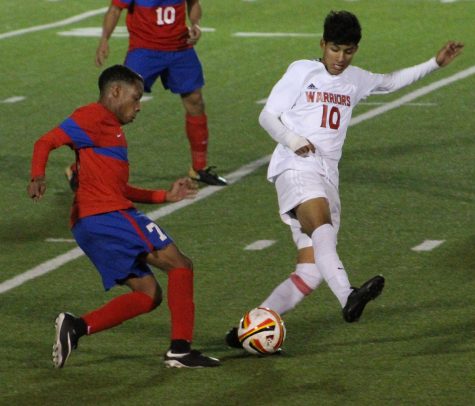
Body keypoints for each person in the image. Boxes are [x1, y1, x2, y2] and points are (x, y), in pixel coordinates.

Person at [226, 10, 464, 348]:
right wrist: (295, 141)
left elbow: (391, 81)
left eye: (349, 50)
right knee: (321, 224)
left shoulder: (356, 79)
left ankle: (247, 330)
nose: (340, 58)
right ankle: (348, 296)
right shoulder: (301, 71)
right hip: (295, 165)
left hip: (327, 174)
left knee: (310, 270)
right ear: (322, 44)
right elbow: (267, 115)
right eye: (335, 49)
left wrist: (435, 64)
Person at [28, 65, 220, 368]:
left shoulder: (111, 131)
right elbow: (45, 141)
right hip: (108, 216)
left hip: (92, 221)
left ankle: (76, 328)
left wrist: (163, 196)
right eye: (135, 98)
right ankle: (180, 350)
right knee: (180, 265)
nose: (138, 107)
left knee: (148, 294)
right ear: (115, 92)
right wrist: (38, 176)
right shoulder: (93, 116)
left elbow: (119, 187)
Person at [80, 0, 227, 187]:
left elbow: (194, 3)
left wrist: (195, 24)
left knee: (195, 101)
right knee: (118, 106)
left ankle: (199, 168)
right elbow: (115, 9)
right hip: (144, 50)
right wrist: (104, 40)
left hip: (180, 49)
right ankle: (80, 166)